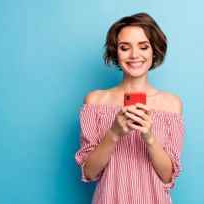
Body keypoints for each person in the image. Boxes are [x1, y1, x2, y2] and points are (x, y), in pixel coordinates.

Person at [75, 12, 185, 204]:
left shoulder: (171, 104)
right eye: (125, 48)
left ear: (154, 51)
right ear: (115, 52)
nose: (135, 55)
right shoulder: (95, 101)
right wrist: (114, 133)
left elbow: (167, 176)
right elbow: (89, 172)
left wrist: (149, 137)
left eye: (143, 47)